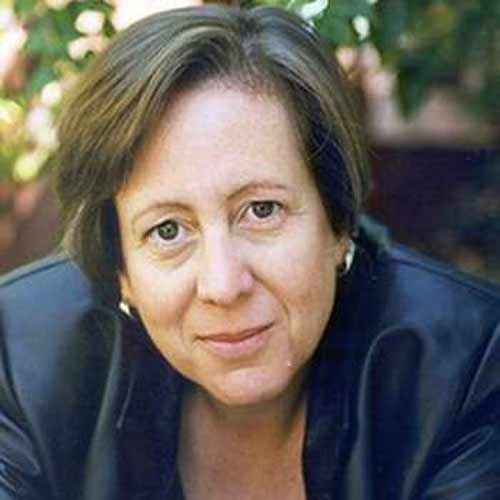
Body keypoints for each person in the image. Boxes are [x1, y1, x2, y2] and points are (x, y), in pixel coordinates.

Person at [1, 5, 500, 500]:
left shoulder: (465, 365)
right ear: (121, 271)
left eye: (262, 210)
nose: (223, 285)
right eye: (168, 230)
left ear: (338, 223)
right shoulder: (20, 361)